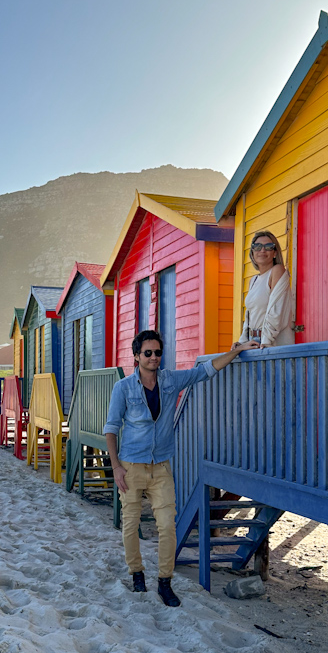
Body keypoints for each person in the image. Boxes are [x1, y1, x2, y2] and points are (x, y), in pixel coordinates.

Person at [104, 330, 258, 606]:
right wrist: (116, 467)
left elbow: (205, 371)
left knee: (168, 526)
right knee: (130, 524)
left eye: (157, 353)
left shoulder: (171, 380)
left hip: (161, 467)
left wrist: (235, 351)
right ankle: (137, 573)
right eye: (148, 353)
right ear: (137, 356)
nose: (153, 358)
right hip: (130, 467)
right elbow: (111, 429)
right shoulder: (123, 388)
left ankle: (164, 581)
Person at [239, 230, 294, 347]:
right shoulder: (253, 280)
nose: (262, 250)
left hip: (271, 342)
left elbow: (276, 310)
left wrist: (266, 341)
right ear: (252, 253)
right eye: (257, 246)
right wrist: (242, 341)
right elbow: (250, 315)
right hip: (253, 342)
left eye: (268, 247)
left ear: (274, 253)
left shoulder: (277, 271)